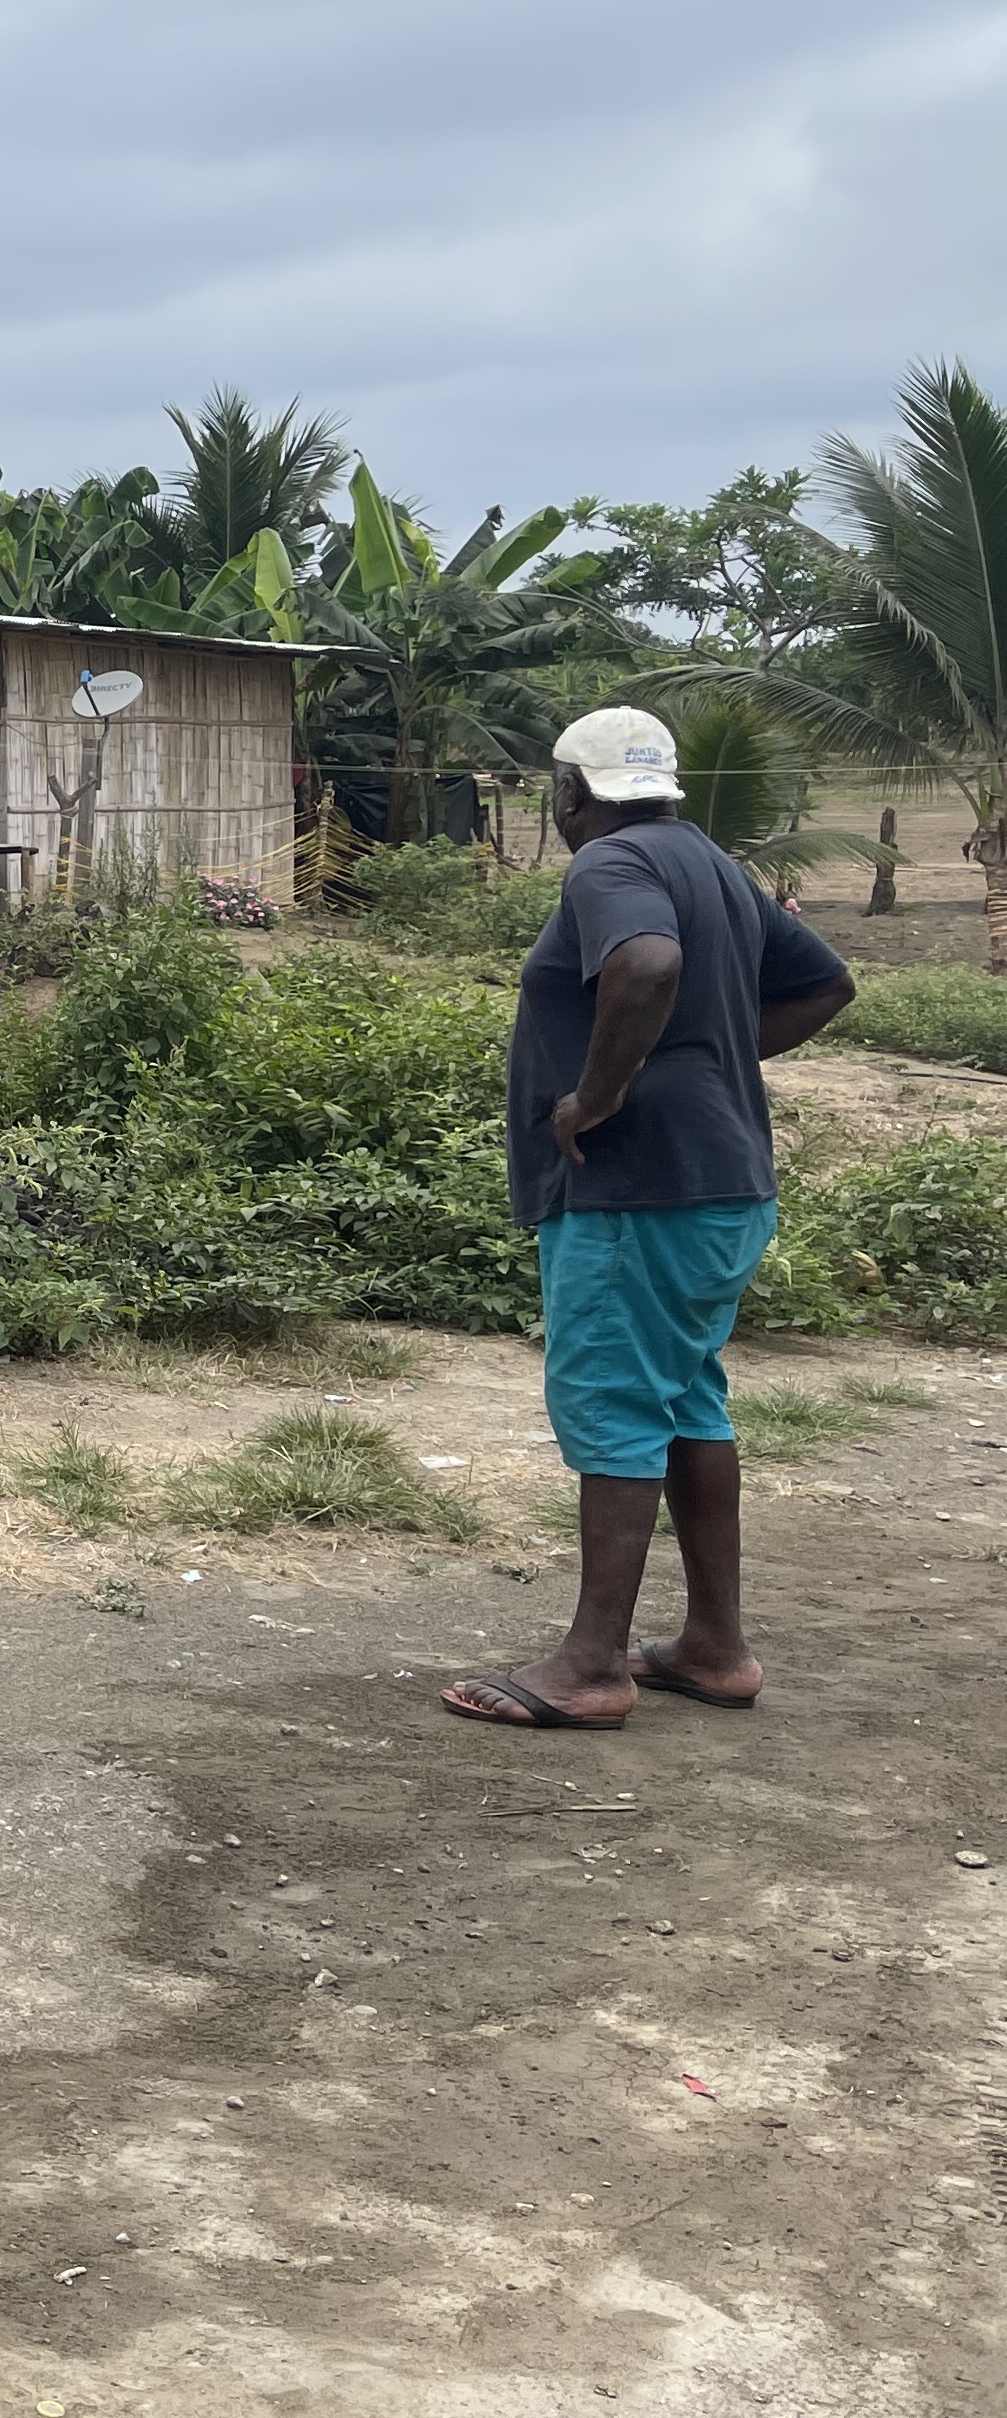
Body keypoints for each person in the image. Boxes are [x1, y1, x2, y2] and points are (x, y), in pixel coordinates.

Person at [443, 705, 855, 1731]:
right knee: (687, 1403)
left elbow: (649, 965)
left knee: (619, 1404)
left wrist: (602, 1092)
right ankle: (715, 1647)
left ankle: (590, 1667)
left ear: (569, 792)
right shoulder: (710, 862)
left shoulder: (612, 862)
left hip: (639, 1189)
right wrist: (700, 1060)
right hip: (719, 1183)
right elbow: (825, 984)